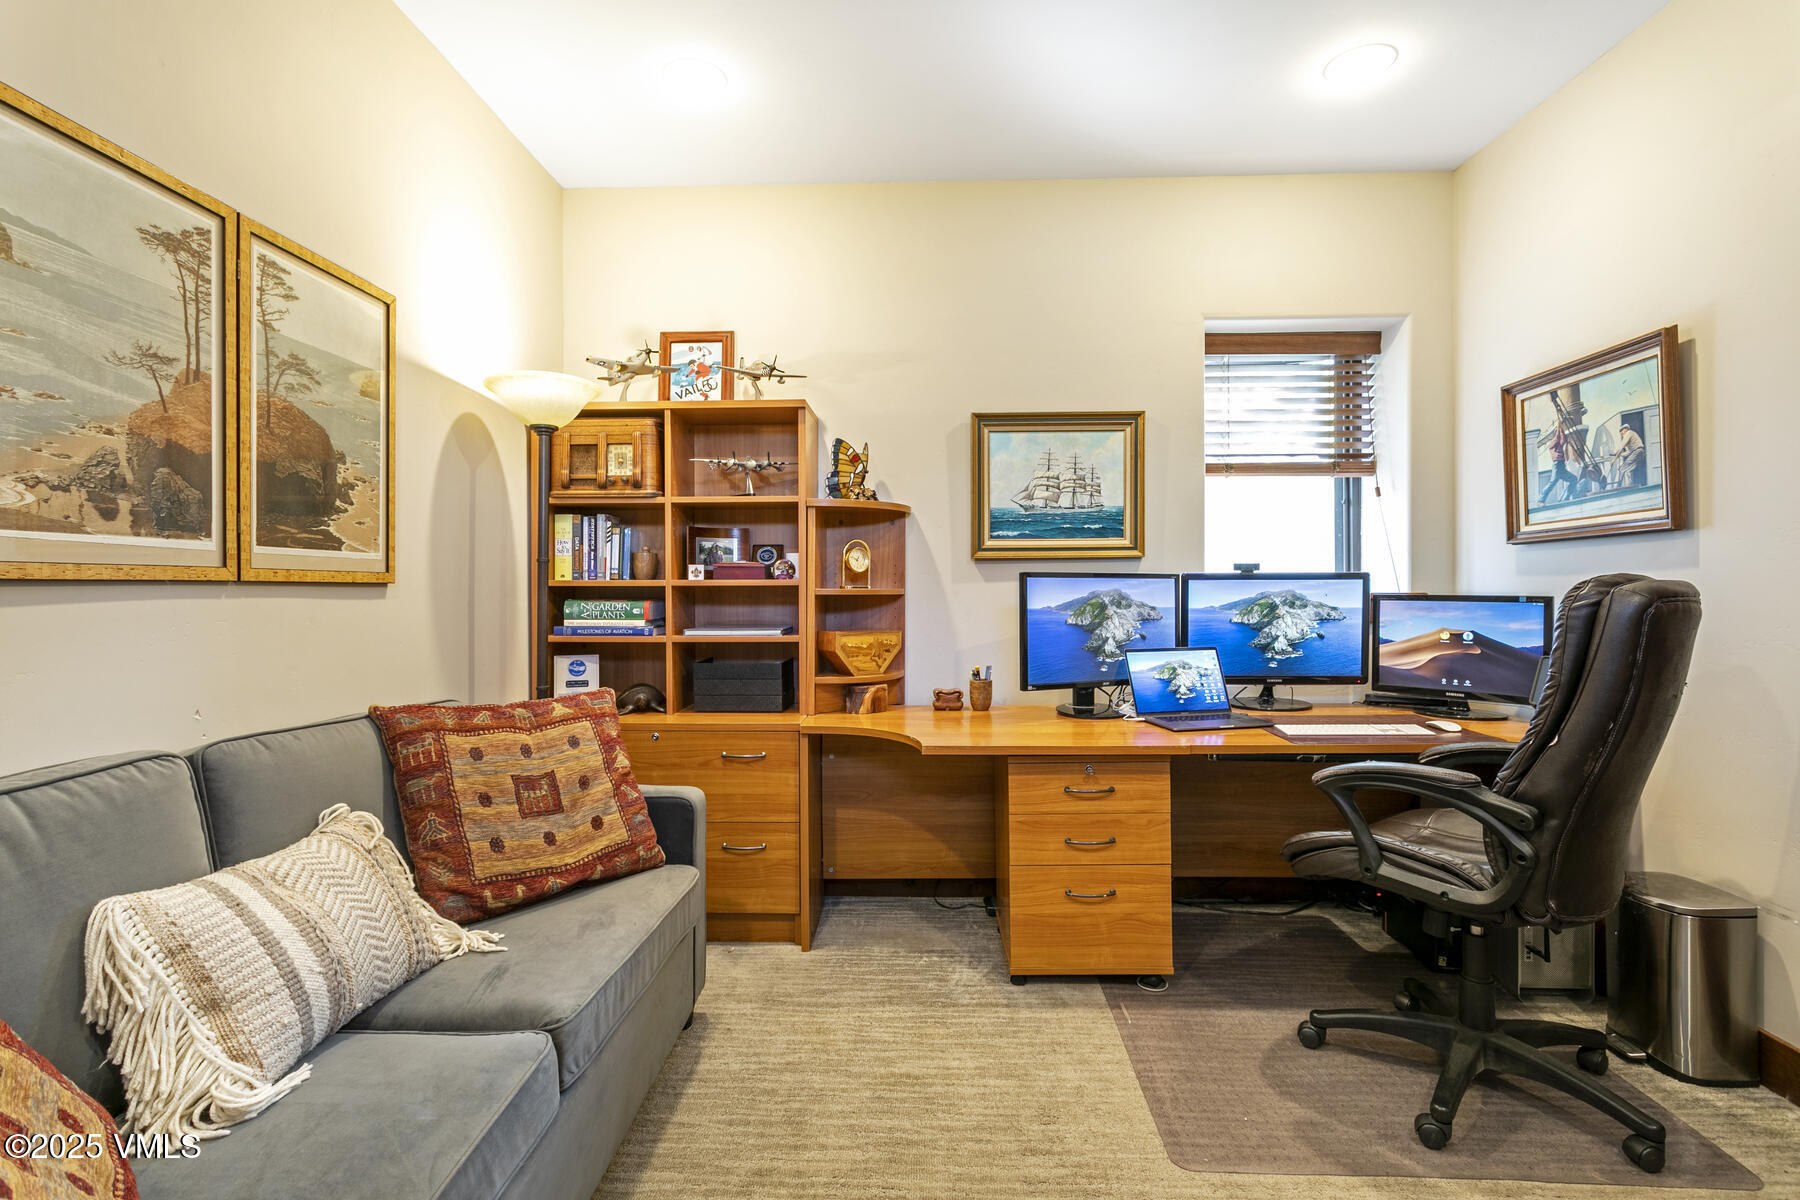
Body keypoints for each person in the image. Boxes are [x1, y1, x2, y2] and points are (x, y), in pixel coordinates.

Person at [1538, 396, 1584, 505]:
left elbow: (1561, 437)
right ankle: (1541, 499)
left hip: (1561, 465)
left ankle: (1565, 498)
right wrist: (1560, 420)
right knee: (1552, 483)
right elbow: (1560, 435)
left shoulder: (1555, 441)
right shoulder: (1554, 441)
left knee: (1572, 479)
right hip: (1558, 465)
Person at [1612, 417, 1647, 489]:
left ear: (1626, 429)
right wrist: (1619, 455)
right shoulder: (1630, 436)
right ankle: (1629, 486)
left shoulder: (1629, 433)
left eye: (1622, 430)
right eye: (1620, 431)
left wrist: (1614, 459)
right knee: (1628, 470)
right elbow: (1628, 452)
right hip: (1639, 452)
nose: (1621, 432)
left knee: (1622, 468)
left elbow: (1621, 447)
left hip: (1637, 452)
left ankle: (1617, 487)